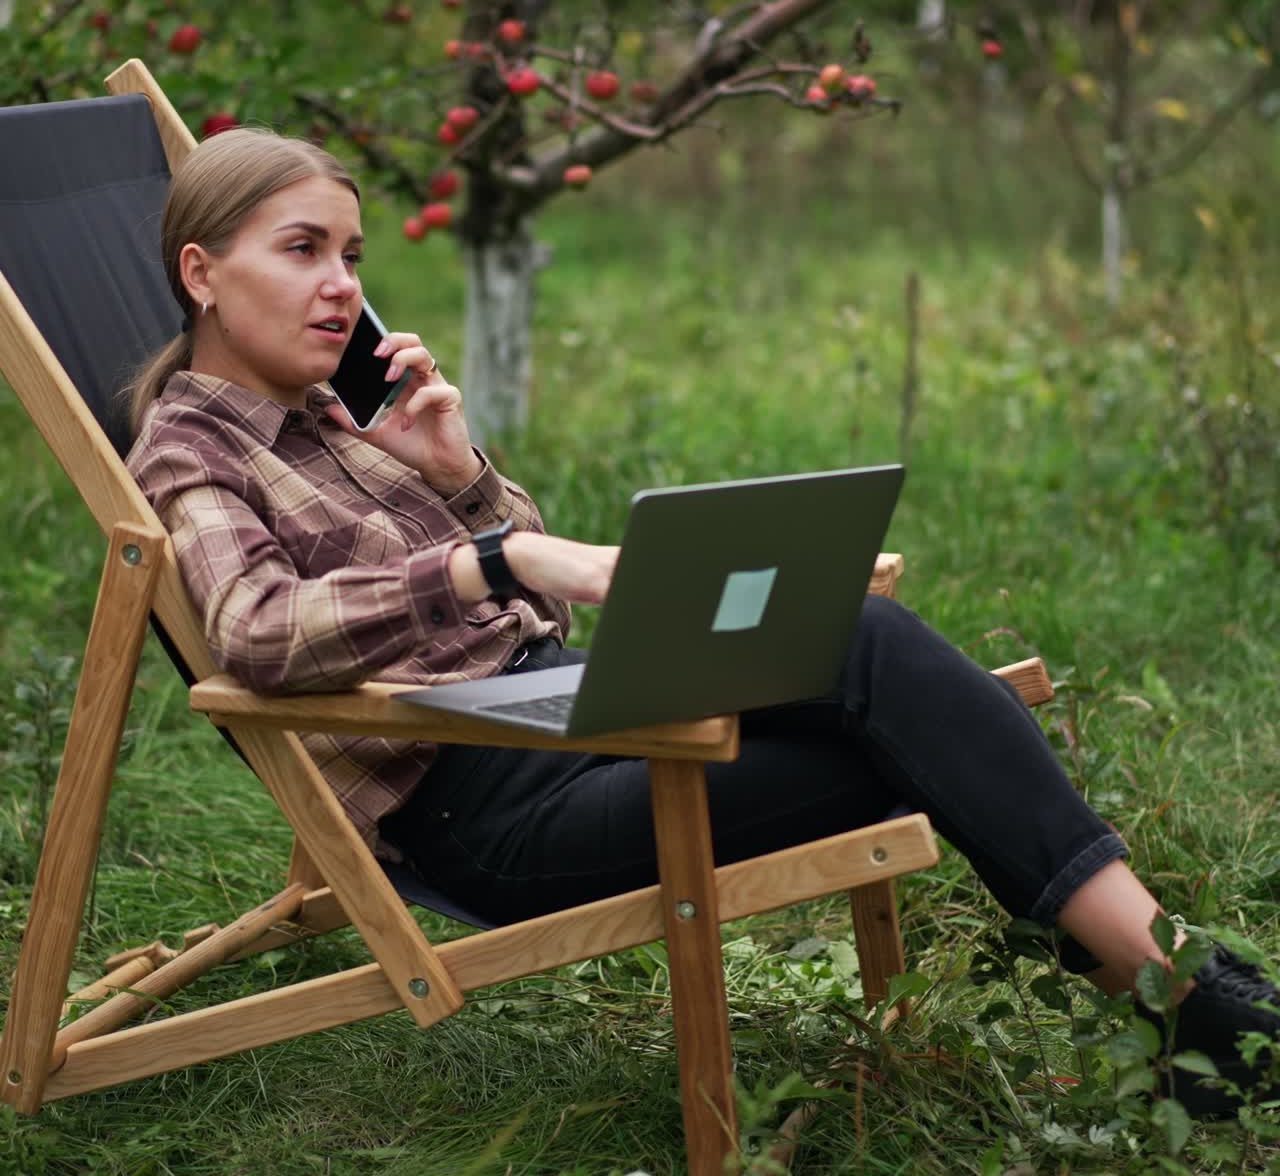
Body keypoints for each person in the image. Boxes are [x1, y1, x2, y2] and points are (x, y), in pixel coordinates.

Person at [126, 127, 1276, 1119]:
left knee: (845, 638)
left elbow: (513, 587)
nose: (340, 284)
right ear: (203, 272)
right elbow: (258, 633)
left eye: (351, 254)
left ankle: (1180, 992)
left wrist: (456, 471)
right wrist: (491, 552)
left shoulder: (332, 411)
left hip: (554, 708)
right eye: (302, 249)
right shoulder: (195, 450)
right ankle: (1185, 992)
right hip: (487, 809)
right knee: (890, 687)